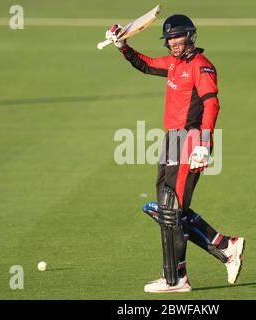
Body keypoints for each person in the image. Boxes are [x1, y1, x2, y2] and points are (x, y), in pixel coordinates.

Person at [105, 14, 245, 293]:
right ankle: (225, 245)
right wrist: (123, 46)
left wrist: (204, 143)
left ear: (191, 36)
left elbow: (211, 104)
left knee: (171, 210)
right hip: (172, 140)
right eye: (170, 39)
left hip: (191, 140)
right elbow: (145, 64)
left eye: (178, 37)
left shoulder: (202, 66)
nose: (174, 43)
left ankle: (177, 279)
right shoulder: (173, 64)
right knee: (169, 210)